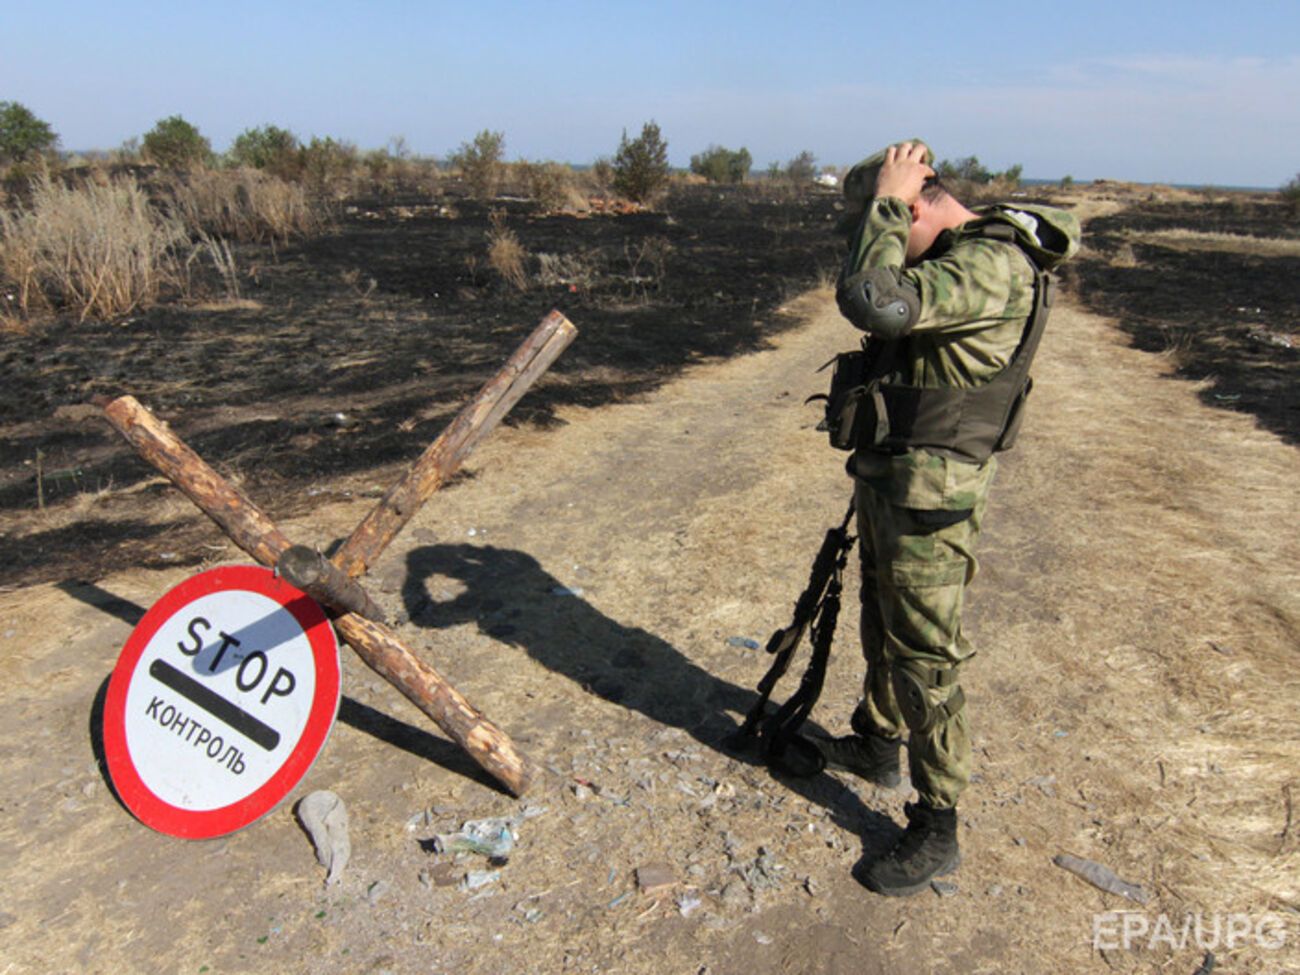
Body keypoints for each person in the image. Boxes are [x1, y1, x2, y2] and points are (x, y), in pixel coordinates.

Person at [789, 141, 1080, 896]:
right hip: (899, 475)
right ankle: (877, 742)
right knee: (881, 617)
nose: (879, 240)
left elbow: (875, 301)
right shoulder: (958, 258)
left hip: (933, 494)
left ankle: (937, 822)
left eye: (888, 222)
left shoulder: (990, 266)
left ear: (915, 206)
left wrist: (886, 200)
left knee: (926, 656)